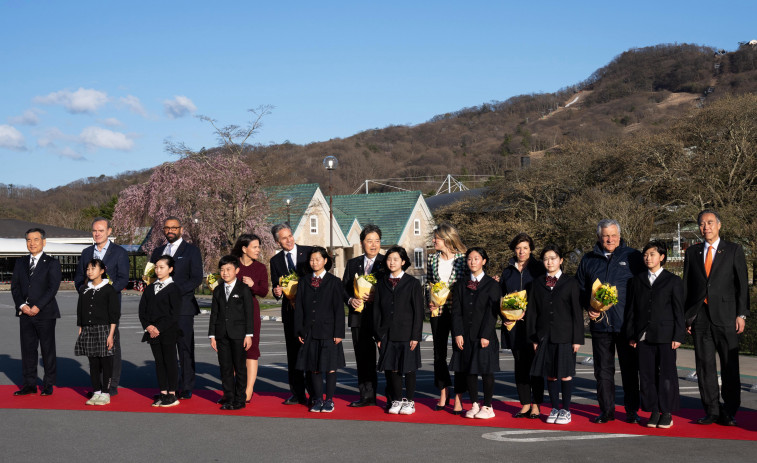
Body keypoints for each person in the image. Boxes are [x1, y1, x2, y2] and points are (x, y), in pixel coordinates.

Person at [683, 210, 748, 427]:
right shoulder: (691, 252)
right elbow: (687, 288)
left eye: (710, 223)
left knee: (730, 365)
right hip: (700, 318)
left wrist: (741, 314)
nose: (706, 227)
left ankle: (729, 411)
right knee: (704, 367)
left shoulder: (733, 250)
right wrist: (688, 317)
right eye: (702, 224)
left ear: (719, 225)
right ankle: (711, 410)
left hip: (727, 317)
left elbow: (741, 286)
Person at [576, 219, 644, 424]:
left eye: (614, 235)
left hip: (626, 325)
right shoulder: (588, 259)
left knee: (630, 370)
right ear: (599, 237)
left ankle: (632, 411)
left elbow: (642, 289)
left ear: (619, 236)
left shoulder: (633, 256)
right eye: (606, 235)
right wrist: (589, 307)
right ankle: (606, 411)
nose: (610, 239)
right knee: (603, 371)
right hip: (600, 326)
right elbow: (579, 289)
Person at [625, 241, 684, 429]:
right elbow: (631, 310)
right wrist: (632, 335)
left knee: (667, 375)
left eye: (652, 254)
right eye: (645, 254)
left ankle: (666, 412)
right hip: (643, 336)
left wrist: (678, 336)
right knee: (647, 375)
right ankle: (653, 411)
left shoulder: (673, 281)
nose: (647, 258)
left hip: (666, 336)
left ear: (662, 257)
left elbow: (678, 311)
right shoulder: (636, 280)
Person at [527, 244, 583, 425]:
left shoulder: (571, 283)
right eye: (546, 259)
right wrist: (534, 338)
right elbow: (532, 313)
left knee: (565, 374)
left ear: (561, 260)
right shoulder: (537, 283)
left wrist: (577, 339)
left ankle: (566, 410)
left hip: (565, 336)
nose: (549, 262)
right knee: (550, 374)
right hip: (544, 336)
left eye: (553, 258)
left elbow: (576, 312)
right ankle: (554, 408)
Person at [74, 217, 130, 396]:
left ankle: (111, 385)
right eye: (94, 231)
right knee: (93, 347)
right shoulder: (86, 253)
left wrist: (106, 292)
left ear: (109, 231)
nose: (97, 234)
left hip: (109, 306)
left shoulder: (119, 252)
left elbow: (123, 278)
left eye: (101, 230)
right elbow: (78, 279)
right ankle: (97, 386)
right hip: (89, 307)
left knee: (110, 345)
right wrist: (86, 291)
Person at [149, 216, 203, 400]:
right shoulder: (157, 252)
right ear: (163, 230)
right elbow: (151, 277)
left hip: (183, 308)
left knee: (185, 348)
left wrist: (174, 292)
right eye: (167, 228)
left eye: (174, 227)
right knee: (165, 349)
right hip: (161, 311)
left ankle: (186, 385)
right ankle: (168, 387)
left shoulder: (191, 251)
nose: (170, 230)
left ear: (181, 229)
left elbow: (195, 279)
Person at [450, 247, 501, 419]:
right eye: (470, 259)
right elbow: (456, 311)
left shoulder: (493, 285)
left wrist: (486, 335)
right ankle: (474, 404)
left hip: (484, 336)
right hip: (465, 335)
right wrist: (457, 333)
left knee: (486, 371)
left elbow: (492, 313)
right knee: (468, 370)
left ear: (484, 261)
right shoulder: (459, 284)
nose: (472, 262)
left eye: (476, 258)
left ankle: (487, 406)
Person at [11, 228, 62, 396]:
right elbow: (15, 287)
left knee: (47, 350)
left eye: (35, 239)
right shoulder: (20, 263)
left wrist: (38, 306)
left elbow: (52, 287)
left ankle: (48, 384)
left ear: (43, 242)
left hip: (45, 313)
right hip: (24, 313)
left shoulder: (52, 263)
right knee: (28, 350)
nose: (31, 243)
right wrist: (21, 305)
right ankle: (29, 384)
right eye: (28, 240)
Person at [295, 247, 347, 413]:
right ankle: (317, 399)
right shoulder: (303, 281)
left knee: (330, 367)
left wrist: (339, 332)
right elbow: (300, 309)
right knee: (314, 367)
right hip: (310, 330)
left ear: (325, 261)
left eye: (318, 259)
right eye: (311, 259)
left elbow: (339, 309)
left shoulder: (334, 282)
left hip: (329, 331)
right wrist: (300, 330)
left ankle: (329, 400)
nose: (314, 262)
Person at [374, 246, 424, 415]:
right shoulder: (381, 284)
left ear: (403, 262)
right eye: (389, 259)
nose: (392, 262)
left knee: (408, 368)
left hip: (407, 333)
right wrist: (379, 335)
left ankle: (409, 401)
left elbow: (418, 311)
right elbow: (377, 311)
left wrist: (416, 335)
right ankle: (396, 400)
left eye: (396, 259)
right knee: (392, 368)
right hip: (387, 333)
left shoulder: (412, 283)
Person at [499, 233, 545, 419]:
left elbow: (543, 297)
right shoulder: (507, 271)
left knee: (535, 365)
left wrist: (530, 313)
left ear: (531, 249)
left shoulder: (539, 269)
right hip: (513, 326)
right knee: (520, 365)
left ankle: (537, 405)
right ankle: (525, 404)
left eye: (525, 248)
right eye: (518, 248)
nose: (522, 251)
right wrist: (504, 315)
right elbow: (500, 296)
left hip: (532, 325)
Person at [426, 222, 468, 413]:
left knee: (459, 353)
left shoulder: (463, 259)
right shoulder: (432, 259)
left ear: (447, 239)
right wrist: (431, 299)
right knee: (438, 354)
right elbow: (429, 283)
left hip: (458, 312)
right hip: (438, 313)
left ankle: (459, 396)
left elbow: (468, 285)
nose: (433, 241)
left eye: (437, 238)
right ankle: (443, 392)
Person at [269, 223, 312, 405]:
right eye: (284, 238)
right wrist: (277, 292)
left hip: (310, 312)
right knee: (293, 354)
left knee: (309, 352)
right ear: (278, 242)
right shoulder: (275, 261)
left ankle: (315, 393)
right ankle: (297, 393)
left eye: (290, 235)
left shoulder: (309, 253)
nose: (289, 240)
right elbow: (275, 285)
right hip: (290, 313)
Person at [342, 224, 384, 407]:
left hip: (381, 318)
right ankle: (366, 396)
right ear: (362, 243)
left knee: (388, 356)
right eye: (369, 241)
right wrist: (351, 300)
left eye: (376, 241)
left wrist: (378, 295)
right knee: (363, 357)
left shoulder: (387, 262)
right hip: (359, 317)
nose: (373, 245)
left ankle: (393, 396)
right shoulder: (353, 264)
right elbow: (343, 288)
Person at [209, 255, 254, 411]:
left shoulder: (243, 289)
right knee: (225, 367)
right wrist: (212, 335)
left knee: (240, 367)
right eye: (222, 270)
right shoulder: (218, 290)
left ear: (237, 270)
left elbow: (249, 313)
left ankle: (240, 398)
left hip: (239, 334)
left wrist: (249, 335)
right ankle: (228, 396)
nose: (225, 273)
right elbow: (214, 313)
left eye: (228, 269)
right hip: (221, 335)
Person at [139, 255, 182, 407]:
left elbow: (174, 314)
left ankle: (172, 393)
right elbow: (142, 311)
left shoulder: (174, 289)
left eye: (162, 267)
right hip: (152, 332)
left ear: (170, 269)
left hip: (168, 331)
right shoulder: (150, 288)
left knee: (170, 361)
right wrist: (149, 326)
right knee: (159, 362)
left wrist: (159, 328)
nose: (158, 270)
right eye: (156, 267)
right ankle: (163, 392)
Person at [75, 258, 120, 406]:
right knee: (93, 363)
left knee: (106, 363)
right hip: (88, 329)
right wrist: (81, 330)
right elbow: (80, 311)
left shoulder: (109, 289)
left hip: (104, 329)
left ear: (102, 271)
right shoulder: (84, 289)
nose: (89, 271)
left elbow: (114, 314)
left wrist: (111, 335)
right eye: (88, 269)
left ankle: (106, 393)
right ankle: (96, 392)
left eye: (93, 269)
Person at [230, 233, 269, 402]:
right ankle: (233, 389)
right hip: (231, 312)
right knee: (234, 351)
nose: (258, 250)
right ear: (244, 249)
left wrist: (253, 285)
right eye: (255, 247)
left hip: (251, 313)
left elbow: (264, 291)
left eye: (259, 247)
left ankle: (248, 390)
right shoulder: (232, 264)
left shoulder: (260, 268)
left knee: (251, 351)